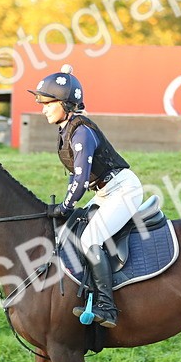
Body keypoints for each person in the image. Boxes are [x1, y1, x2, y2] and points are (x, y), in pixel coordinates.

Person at [28, 65, 145, 329]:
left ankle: (107, 306)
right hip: (105, 191)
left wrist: (66, 205)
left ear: (66, 104)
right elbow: (76, 176)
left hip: (123, 190)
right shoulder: (68, 129)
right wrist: (68, 209)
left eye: (48, 103)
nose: (43, 108)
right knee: (75, 229)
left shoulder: (80, 132)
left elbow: (80, 180)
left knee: (91, 237)